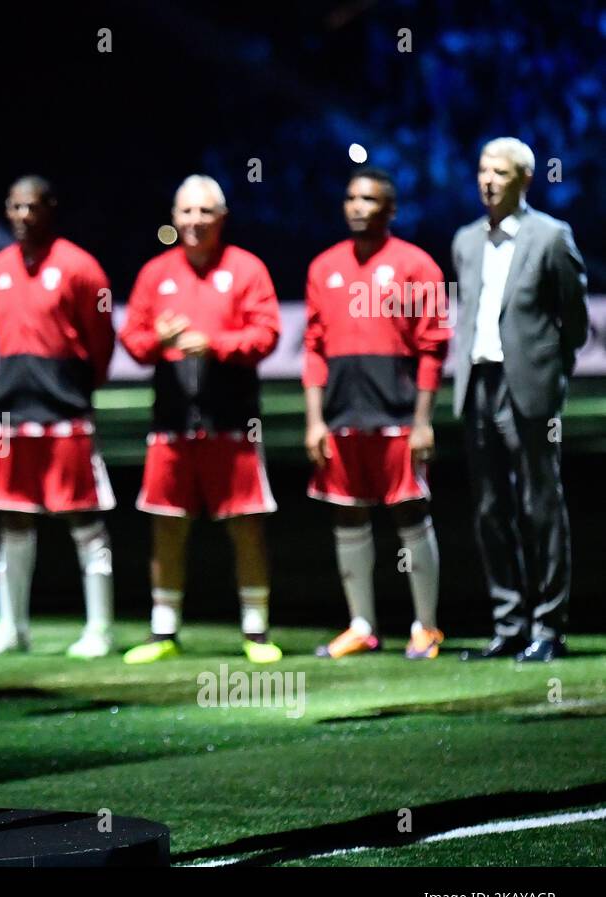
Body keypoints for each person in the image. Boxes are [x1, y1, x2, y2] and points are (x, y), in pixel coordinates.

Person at [119, 175, 282, 665]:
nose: (194, 222)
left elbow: (268, 333)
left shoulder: (247, 269)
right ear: (173, 217)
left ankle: (256, 631)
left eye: (204, 212)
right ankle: (163, 630)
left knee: (246, 525)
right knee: (167, 526)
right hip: (170, 423)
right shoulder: (155, 273)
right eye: (186, 212)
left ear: (221, 218)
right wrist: (159, 343)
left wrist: (217, 345)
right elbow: (133, 340)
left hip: (233, 424)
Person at [304, 169, 450, 660]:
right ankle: (362, 626)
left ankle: (426, 626)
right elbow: (313, 348)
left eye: (369, 199)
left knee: (410, 513)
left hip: (398, 417)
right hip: (342, 418)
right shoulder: (324, 266)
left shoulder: (417, 265)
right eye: (350, 198)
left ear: (391, 210)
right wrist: (314, 420)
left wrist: (424, 419)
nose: (357, 207)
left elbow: (433, 347)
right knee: (347, 515)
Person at [452, 138, 588, 663]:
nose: (488, 180)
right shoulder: (466, 240)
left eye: (500, 172)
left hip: (528, 385)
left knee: (541, 504)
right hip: (478, 384)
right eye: (483, 170)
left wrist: (553, 371)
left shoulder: (551, 237)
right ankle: (508, 624)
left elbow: (574, 321)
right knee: (490, 509)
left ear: (524, 180)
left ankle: (548, 625)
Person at [0, 175, 117, 659]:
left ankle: (100, 628)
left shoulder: (81, 267)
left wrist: (77, 388)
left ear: (51, 208)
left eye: (31, 207)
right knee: (12, 521)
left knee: (84, 522)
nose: (21, 216)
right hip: (12, 415)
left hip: (66, 415)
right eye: (13, 207)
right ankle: (12, 627)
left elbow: (100, 342)